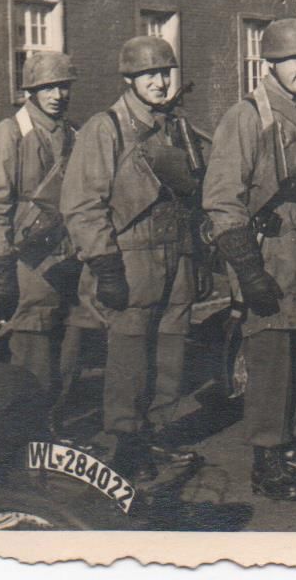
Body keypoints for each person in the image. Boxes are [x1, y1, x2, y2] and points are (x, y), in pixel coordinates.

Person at [202, 19, 296, 502]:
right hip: (275, 242)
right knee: (272, 353)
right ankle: (266, 460)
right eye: (295, 60)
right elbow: (223, 198)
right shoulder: (249, 116)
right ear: (271, 63)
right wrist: (247, 268)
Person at [61, 36, 204, 481]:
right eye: (149, 75)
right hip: (131, 256)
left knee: (172, 351)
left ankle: (157, 435)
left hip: (175, 253)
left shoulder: (175, 126)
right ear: (128, 79)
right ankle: (124, 444)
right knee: (128, 354)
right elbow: (83, 204)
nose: (160, 82)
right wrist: (104, 264)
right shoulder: (107, 128)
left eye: (165, 73)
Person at [0, 51, 93, 435]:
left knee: (71, 347)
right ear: (30, 90)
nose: (57, 94)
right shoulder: (9, 134)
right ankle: (26, 436)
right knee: (32, 348)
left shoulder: (74, 134)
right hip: (26, 261)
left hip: (69, 258)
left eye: (63, 86)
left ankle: (54, 429)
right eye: (47, 87)